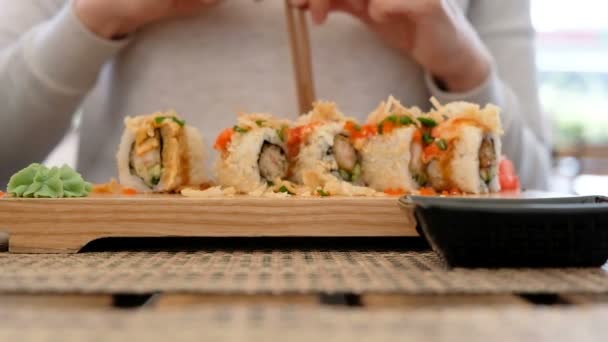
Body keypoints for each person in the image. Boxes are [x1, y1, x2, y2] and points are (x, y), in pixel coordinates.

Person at [0, 0, 551, 189]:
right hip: (112, 297)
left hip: (425, 303)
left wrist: (459, 62)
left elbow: (535, 191)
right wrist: (97, 16)